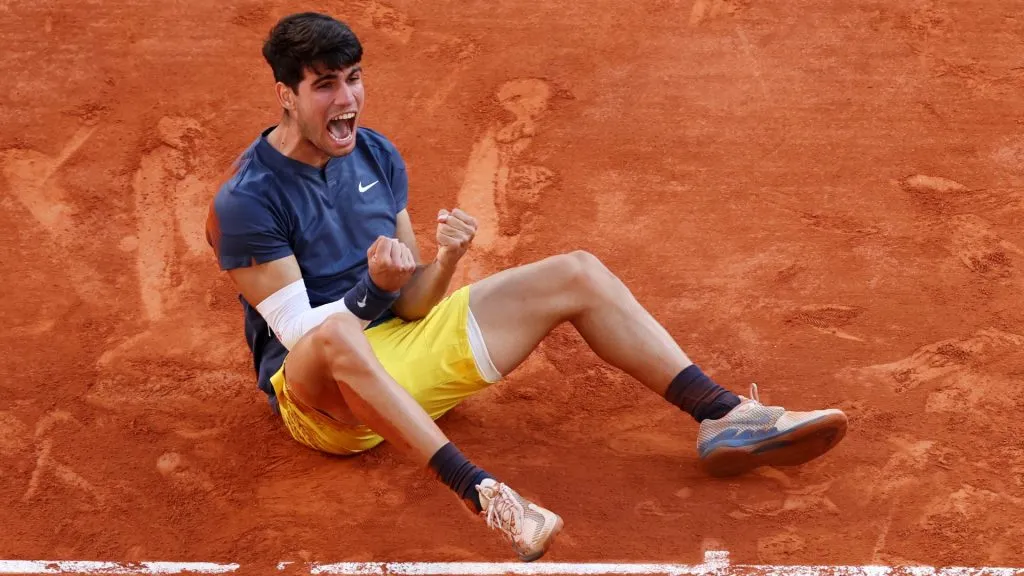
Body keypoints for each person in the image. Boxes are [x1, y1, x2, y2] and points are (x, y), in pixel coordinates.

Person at [205, 11, 848, 563]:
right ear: (285, 94)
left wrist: (447, 260)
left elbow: (415, 304)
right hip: (327, 406)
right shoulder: (246, 204)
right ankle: (488, 496)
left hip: (397, 351)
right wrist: (374, 289)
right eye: (324, 86)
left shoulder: (375, 155)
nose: (346, 100)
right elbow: (308, 338)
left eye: (353, 79)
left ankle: (724, 416)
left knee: (577, 271)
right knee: (342, 330)